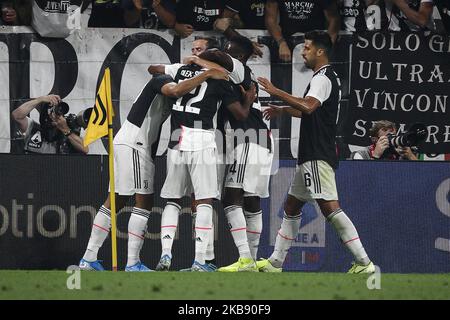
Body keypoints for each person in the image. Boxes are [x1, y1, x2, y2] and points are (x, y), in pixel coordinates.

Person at [79, 70, 229, 271]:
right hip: (136, 143)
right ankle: (132, 263)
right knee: (142, 201)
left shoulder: (176, 86)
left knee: (116, 200)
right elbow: (172, 88)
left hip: (133, 143)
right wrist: (206, 74)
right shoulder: (162, 81)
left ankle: (89, 258)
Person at [257, 30, 375, 273]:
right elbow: (306, 111)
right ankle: (275, 263)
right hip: (310, 155)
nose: (303, 52)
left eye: (307, 48)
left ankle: (364, 263)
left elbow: (308, 107)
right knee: (291, 207)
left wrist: (275, 90)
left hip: (316, 154)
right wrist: (282, 110)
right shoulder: (324, 77)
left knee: (330, 207)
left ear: (320, 51)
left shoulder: (323, 78)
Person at [157, 55, 256, 272]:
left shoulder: (181, 71)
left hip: (176, 137)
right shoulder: (219, 78)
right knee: (204, 202)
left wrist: (187, 67)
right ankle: (199, 262)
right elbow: (240, 113)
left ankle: (165, 253)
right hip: (201, 137)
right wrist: (248, 98)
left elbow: (154, 68)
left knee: (172, 200)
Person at [193, 37, 274, 272]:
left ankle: (246, 258)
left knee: (230, 198)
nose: (223, 52)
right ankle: (250, 260)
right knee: (251, 200)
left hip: (249, 139)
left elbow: (217, 56)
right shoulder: (241, 77)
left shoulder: (238, 69)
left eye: (229, 50)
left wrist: (198, 58)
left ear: (237, 57)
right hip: (261, 140)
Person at [265, 0, 341, 62]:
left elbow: (334, 19)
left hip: (314, 42)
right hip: (287, 42)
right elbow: (270, 20)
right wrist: (281, 43)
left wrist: (326, 47)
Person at [11, 95, 89, 154]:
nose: (56, 115)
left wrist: (65, 129)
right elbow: (16, 115)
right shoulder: (34, 129)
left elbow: (85, 149)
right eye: (53, 112)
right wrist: (39, 100)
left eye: (59, 112)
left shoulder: (68, 135)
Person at [350, 120, 419, 160]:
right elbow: (360, 178)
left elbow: (422, 176)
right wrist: (375, 156)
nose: (391, 139)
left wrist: (411, 157)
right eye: (388, 137)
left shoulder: (401, 154)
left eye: (393, 136)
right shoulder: (362, 154)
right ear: (375, 139)